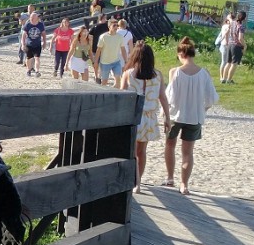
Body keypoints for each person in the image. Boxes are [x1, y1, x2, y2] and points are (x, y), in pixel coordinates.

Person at [163, 37, 219, 195]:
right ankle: (184, 184)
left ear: (181, 54)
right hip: (195, 117)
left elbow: (170, 97)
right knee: (188, 152)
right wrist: (203, 109)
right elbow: (211, 98)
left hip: (175, 115)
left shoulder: (175, 72)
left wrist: (165, 114)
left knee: (170, 146)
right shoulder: (204, 73)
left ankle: (169, 177)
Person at [120, 42, 169, 193]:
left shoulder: (128, 74)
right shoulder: (157, 75)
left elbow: (121, 95)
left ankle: (136, 182)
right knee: (142, 151)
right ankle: (138, 181)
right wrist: (167, 117)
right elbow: (163, 98)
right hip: (149, 118)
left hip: (133, 117)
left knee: (132, 152)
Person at [94, 19, 127, 88]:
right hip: (105, 63)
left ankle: (113, 93)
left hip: (116, 62)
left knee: (118, 80)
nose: (116, 27)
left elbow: (123, 49)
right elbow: (98, 50)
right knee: (104, 83)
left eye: (117, 25)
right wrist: (96, 62)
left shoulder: (120, 37)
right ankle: (103, 95)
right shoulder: (103, 37)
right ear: (109, 27)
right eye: (114, 25)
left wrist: (126, 60)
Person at [220, 10, 246, 84]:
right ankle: (229, 80)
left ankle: (223, 79)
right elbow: (240, 38)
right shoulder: (241, 26)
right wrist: (245, 45)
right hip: (237, 46)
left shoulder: (232, 23)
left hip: (230, 45)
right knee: (234, 64)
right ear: (244, 18)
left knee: (228, 63)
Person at [22, 11, 46, 77]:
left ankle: (37, 71)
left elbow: (44, 34)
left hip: (37, 44)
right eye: (31, 17)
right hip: (29, 44)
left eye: (37, 17)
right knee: (29, 58)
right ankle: (28, 70)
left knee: (37, 58)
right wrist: (23, 44)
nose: (38, 18)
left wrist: (44, 42)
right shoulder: (28, 24)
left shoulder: (40, 24)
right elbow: (23, 35)